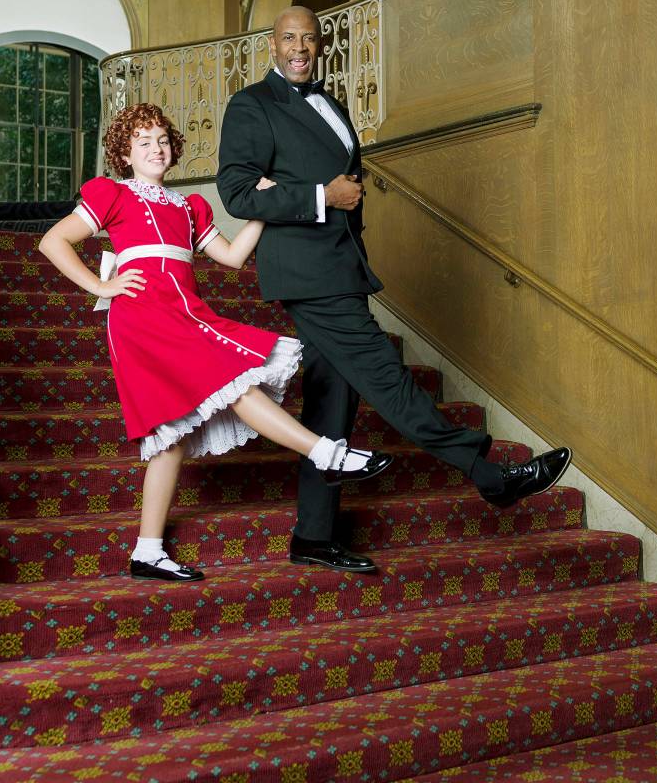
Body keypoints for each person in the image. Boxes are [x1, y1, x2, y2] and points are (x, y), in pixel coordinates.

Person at [217, 5, 572, 574]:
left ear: (320, 45)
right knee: (386, 373)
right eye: (288, 38)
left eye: (308, 38)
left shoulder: (331, 103)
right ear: (271, 46)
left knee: (335, 402)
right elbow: (236, 191)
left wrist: (346, 213)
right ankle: (489, 476)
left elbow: (345, 181)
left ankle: (313, 535)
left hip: (344, 267)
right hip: (308, 274)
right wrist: (319, 198)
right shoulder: (253, 105)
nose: (299, 48)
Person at [38, 102, 392, 583]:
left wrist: (263, 211)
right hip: (143, 318)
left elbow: (230, 257)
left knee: (173, 436)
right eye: (143, 142)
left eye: (162, 140)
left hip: (187, 312)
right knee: (236, 381)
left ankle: (147, 550)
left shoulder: (190, 206)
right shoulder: (111, 194)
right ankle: (326, 453)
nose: (155, 148)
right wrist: (103, 287)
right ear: (124, 152)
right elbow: (53, 241)